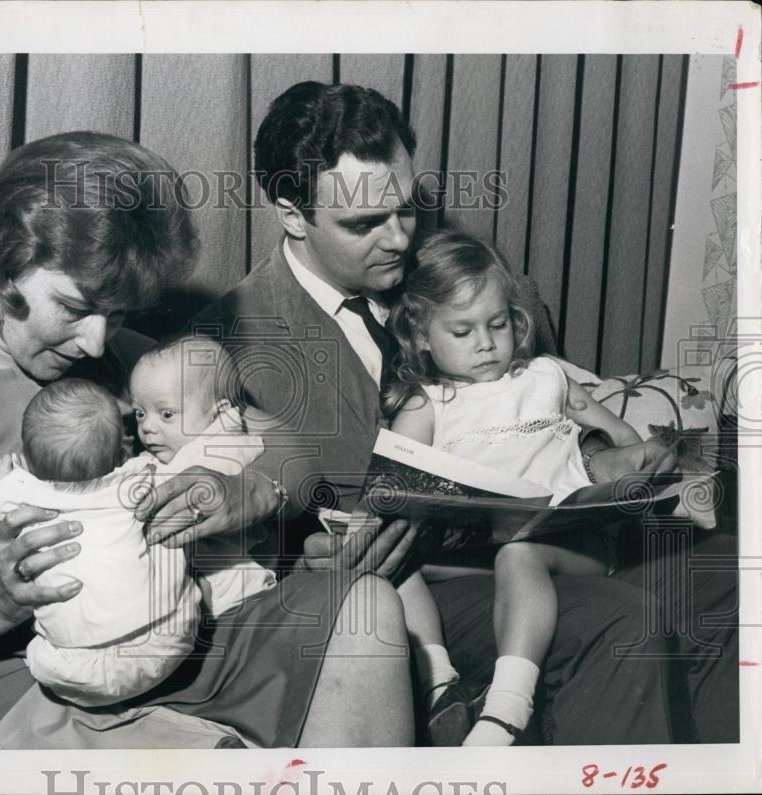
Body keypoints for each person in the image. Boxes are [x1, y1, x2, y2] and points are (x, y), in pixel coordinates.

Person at [140, 80, 739, 744]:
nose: (399, 237)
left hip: (555, 537)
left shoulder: (444, 273)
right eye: (366, 224)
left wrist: (607, 457)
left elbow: (530, 393)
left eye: (405, 207)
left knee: (733, 575)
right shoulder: (224, 345)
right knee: (616, 619)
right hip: (415, 591)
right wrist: (308, 561)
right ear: (291, 212)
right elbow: (245, 558)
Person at [0, 131, 415, 750]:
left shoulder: (114, 357)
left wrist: (245, 490)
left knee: (368, 610)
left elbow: (290, 448)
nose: (95, 342)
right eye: (74, 307)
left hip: (163, 638)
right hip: (18, 686)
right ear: (5, 256)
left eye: (116, 314)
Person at [383, 230, 652, 745]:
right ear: (420, 335)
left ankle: (507, 707)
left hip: (568, 544)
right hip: (472, 551)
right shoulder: (425, 405)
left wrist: (632, 470)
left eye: (498, 324)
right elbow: (394, 487)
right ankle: (439, 685)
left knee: (519, 554)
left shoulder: (546, 378)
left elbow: (623, 436)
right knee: (390, 560)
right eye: (462, 332)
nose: (485, 343)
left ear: (515, 319)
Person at [0, 341, 275, 708]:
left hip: (74, 667)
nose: (148, 429)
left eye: (166, 415)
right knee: (179, 581)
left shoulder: (26, 493)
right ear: (120, 452)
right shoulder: (140, 476)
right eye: (140, 415)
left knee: (40, 654)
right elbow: (218, 454)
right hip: (168, 640)